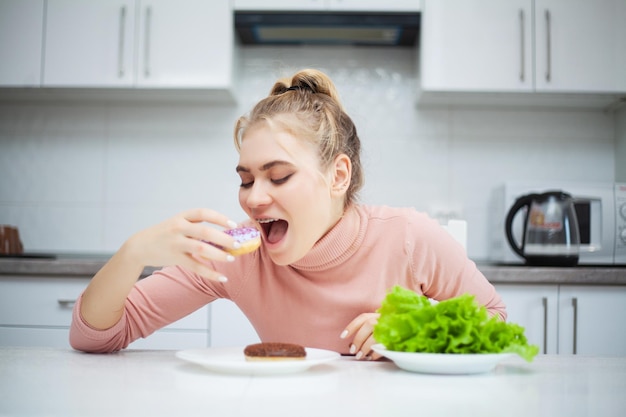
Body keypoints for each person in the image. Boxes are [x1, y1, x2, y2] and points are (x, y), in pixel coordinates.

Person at [70, 69, 506, 360]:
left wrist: (415, 328)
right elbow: (95, 336)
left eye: (278, 177)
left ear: (337, 176)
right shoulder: (237, 254)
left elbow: (496, 320)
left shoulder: (409, 238)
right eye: (246, 180)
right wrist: (134, 253)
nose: (254, 199)